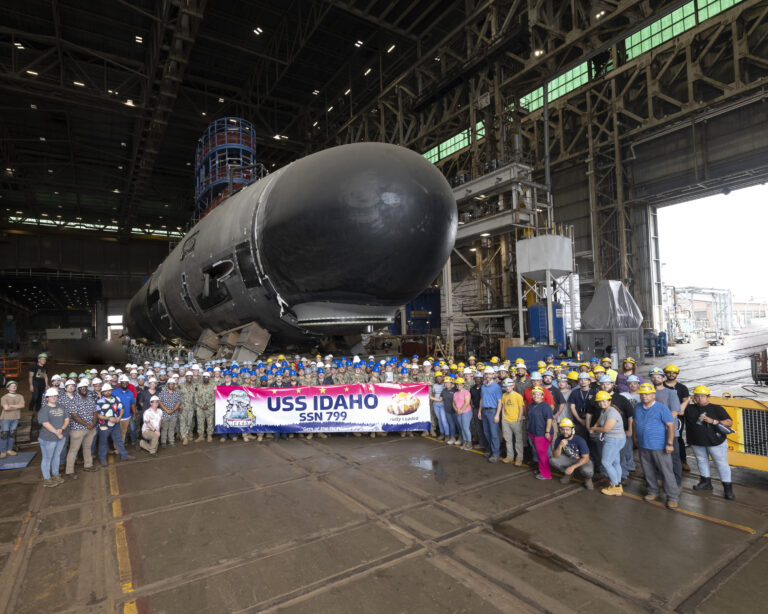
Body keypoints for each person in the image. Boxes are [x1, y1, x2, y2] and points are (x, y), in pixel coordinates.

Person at [632, 383, 679, 509]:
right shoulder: (637, 407)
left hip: (660, 446)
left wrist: (669, 443)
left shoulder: (662, 408)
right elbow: (635, 422)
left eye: (647, 394)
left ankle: (672, 497)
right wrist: (635, 437)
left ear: (653, 395)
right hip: (643, 445)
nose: (644, 397)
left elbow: (670, 426)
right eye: (642, 394)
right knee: (647, 470)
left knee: (666, 472)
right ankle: (652, 491)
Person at [684, 385, 735, 500]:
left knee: (721, 464)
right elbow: (680, 411)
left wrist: (713, 421)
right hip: (697, 441)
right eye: (697, 396)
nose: (699, 398)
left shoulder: (716, 408)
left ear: (708, 397)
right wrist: (687, 400)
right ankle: (705, 482)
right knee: (701, 461)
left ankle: (728, 488)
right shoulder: (690, 408)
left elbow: (729, 422)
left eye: (702, 396)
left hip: (715, 442)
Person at [589, 390, 627, 496]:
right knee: (615, 463)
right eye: (600, 401)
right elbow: (600, 420)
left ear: (609, 400)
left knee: (606, 462)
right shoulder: (605, 410)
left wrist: (594, 428)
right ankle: (618, 485)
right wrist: (594, 426)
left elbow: (606, 429)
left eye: (604, 401)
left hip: (614, 440)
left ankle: (616, 486)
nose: (602, 403)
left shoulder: (611, 412)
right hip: (616, 439)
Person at [649, 367, 682, 485]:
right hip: (654, 433)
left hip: (669, 431)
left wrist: (662, 424)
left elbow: (674, 412)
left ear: (663, 378)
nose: (656, 378)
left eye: (658, 377)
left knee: (673, 458)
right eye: (653, 377)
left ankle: (677, 482)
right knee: (657, 457)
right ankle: (659, 478)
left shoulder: (671, 393)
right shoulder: (649, 393)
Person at [64, 379, 99, 477]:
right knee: (73, 450)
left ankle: (88, 465)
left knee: (87, 447)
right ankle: (69, 471)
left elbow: (95, 412)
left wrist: (92, 423)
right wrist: (86, 424)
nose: (83, 389)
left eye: (85, 388)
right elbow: (74, 415)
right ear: (78, 389)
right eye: (81, 388)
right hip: (78, 429)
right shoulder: (74, 400)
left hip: (90, 428)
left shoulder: (90, 399)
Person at [550, 418, 594, 489]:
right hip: (570, 459)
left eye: (567, 430)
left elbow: (586, 458)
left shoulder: (580, 440)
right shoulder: (559, 439)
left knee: (587, 472)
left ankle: (587, 478)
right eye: (563, 429)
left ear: (572, 430)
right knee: (552, 460)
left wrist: (572, 467)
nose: (565, 432)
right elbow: (555, 456)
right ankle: (569, 473)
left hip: (582, 460)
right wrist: (560, 446)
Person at [96, 384, 134, 465]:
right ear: (102, 392)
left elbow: (121, 408)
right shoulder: (99, 402)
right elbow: (97, 415)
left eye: (109, 390)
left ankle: (124, 455)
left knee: (119, 440)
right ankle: (103, 459)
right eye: (105, 391)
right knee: (103, 443)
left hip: (115, 424)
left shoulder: (116, 398)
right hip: (104, 425)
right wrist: (108, 418)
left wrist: (119, 417)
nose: (108, 392)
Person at [38, 388, 68, 487]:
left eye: (55, 396)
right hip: (48, 438)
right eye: (51, 396)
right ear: (47, 398)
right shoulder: (44, 410)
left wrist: (62, 429)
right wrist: (57, 432)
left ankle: (56, 475)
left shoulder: (61, 406)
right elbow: (45, 423)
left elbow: (67, 419)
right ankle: (47, 479)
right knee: (47, 458)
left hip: (60, 436)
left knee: (56, 456)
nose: (54, 397)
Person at [663, 364, 691, 472]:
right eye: (669, 372)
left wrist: (680, 410)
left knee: (678, 438)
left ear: (677, 374)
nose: (671, 374)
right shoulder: (661, 386)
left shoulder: (682, 388)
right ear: (665, 373)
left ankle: (683, 461)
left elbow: (685, 401)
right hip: (662, 416)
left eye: (673, 373)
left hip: (677, 418)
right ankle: (665, 461)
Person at [526, 387, 553, 479]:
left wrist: (547, 431)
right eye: (534, 394)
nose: (536, 396)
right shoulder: (532, 405)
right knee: (538, 453)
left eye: (538, 394)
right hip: (533, 432)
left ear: (542, 396)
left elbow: (549, 419)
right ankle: (540, 469)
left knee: (542, 454)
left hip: (542, 433)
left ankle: (545, 474)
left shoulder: (546, 406)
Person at [478, 367, 503, 463]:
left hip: (493, 411)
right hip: (484, 411)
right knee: (486, 432)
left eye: (490, 374)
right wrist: (480, 411)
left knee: (494, 434)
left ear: (493, 375)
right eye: (486, 374)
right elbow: (481, 399)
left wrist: (497, 415)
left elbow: (500, 402)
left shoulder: (496, 387)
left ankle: (495, 454)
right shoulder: (484, 386)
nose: (488, 376)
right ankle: (491, 450)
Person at [500, 377, 525, 465]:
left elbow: (521, 408)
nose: (507, 388)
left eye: (509, 386)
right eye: (506, 386)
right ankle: (510, 456)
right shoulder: (504, 395)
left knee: (518, 440)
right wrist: (503, 418)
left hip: (516, 421)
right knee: (508, 439)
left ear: (513, 386)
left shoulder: (518, 396)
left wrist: (519, 419)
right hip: (506, 420)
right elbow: (503, 407)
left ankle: (519, 458)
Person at [1, 380, 24, 458]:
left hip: (16, 418)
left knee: (12, 434)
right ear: (8, 388)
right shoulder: (4, 397)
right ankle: (3, 451)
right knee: (4, 434)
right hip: (5, 418)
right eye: (12, 386)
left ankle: (9, 450)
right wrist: (16, 405)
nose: (14, 387)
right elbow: (6, 408)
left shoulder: (20, 396)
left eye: (15, 385)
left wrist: (11, 405)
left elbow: (22, 405)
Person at [28, 353, 49, 439]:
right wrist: (31, 385)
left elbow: (45, 377)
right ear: (39, 360)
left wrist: (46, 385)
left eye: (45, 359)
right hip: (35, 384)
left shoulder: (44, 368)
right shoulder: (33, 367)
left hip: (42, 385)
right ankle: (30, 407)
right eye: (42, 359)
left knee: (40, 398)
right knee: (35, 396)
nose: (44, 360)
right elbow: (30, 377)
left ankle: (37, 409)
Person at [158, 379, 182, 446]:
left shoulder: (177, 393)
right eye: (170, 384)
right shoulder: (162, 392)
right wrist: (166, 410)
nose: (171, 385)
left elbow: (179, 402)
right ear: (167, 384)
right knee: (164, 428)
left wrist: (173, 410)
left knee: (172, 428)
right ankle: (163, 442)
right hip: (165, 414)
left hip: (174, 414)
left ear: (174, 385)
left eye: (173, 384)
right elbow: (160, 402)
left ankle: (171, 441)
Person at [452, 377, 473, 449]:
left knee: (465, 428)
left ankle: (469, 443)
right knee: (462, 428)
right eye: (457, 384)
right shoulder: (455, 393)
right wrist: (456, 410)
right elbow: (453, 403)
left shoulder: (466, 392)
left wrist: (460, 410)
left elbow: (467, 403)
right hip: (458, 413)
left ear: (463, 385)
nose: (458, 386)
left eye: (460, 384)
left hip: (466, 412)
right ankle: (465, 442)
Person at [195, 372, 216, 442]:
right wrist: (201, 405)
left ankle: (209, 435)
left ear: (209, 378)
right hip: (200, 408)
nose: (206, 378)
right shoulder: (198, 386)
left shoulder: (213, 386)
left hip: (210, 407)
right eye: (204, 377)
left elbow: (215, 397)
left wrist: (208, 405)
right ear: (202, 378)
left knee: (210, 422)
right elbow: (196, 397)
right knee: (200, 422)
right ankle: (201, 435)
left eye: (207, 377)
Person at [469, 372, 488, 450]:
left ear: (482, 379)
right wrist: (471, 404)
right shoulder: (472, 388)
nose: (478, 380)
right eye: (476, 378)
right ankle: (481, 443)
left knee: (485, 428)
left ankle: (487, 445)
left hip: (484, 409)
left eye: (479, 378)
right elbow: (470, 397)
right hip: (476, 409)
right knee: (478, 427)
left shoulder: (485, 387)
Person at [440, 376, 458, 445]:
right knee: (451, 424)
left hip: (455, 411)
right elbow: (440, 399)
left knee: (458, 425)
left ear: (451, 383)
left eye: (448, 383)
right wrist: (431, 397)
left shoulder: (455, 390)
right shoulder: (444, 391)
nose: (446, 384)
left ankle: (461, 438)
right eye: (445, 383)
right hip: (448, 411)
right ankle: (452, 438)